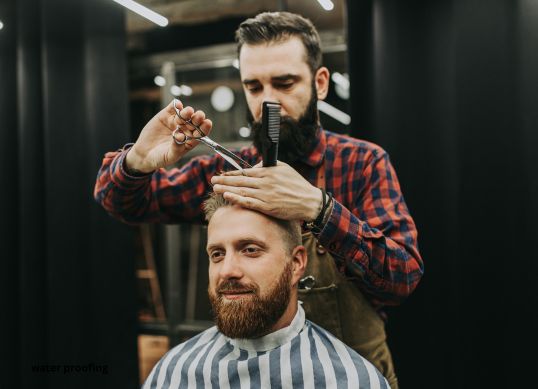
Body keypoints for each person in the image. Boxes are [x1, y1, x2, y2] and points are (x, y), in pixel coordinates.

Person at [94, 12, 423, 388]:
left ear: (319, 83)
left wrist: (320, 209)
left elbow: (402, 276)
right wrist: (138, 160)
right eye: (254, 86)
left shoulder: (362, 163)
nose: (269, 102)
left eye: (284, 83)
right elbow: (119, 200)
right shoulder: (228, 171)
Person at [142, 193, 390, 388]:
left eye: (250, 249)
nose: (227, 270)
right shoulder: (174, 372)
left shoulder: (352, 381)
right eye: (217, 254)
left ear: (296, 264)